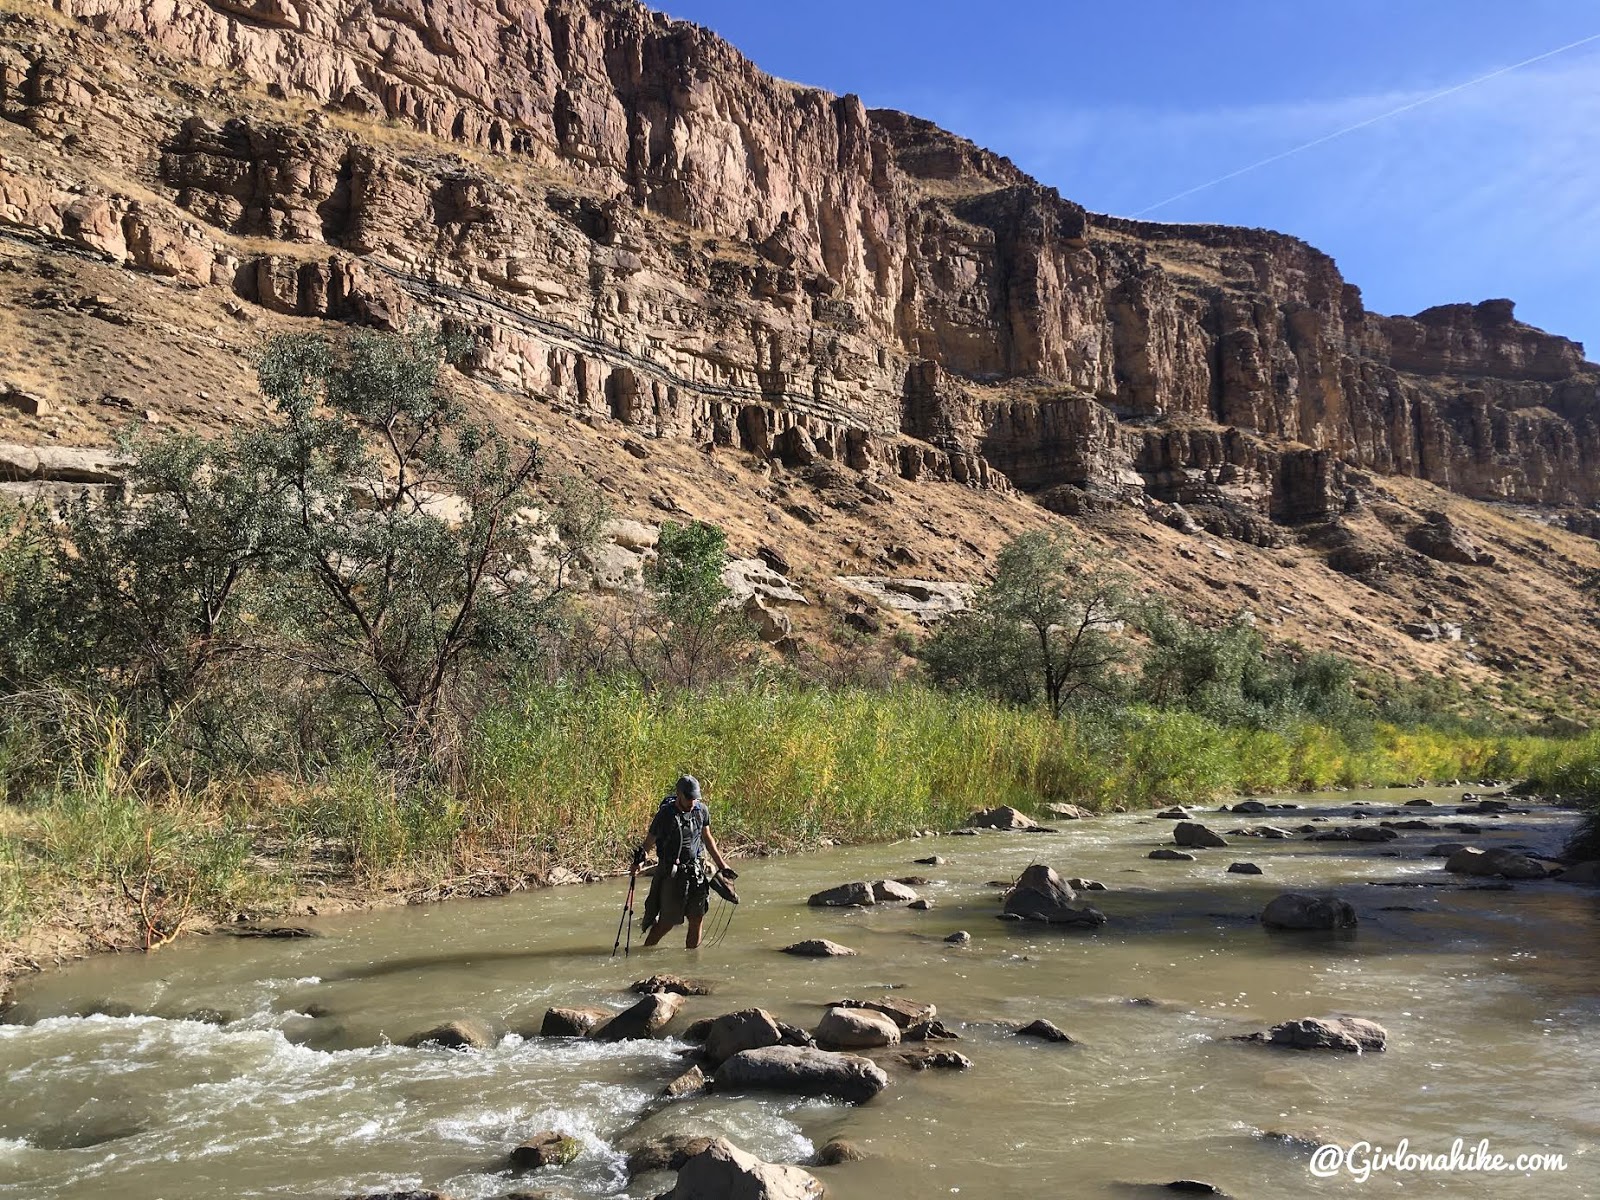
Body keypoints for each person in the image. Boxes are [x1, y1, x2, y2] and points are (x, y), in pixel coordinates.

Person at [633, 775, 735, 949]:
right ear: (679, 794)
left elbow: (707, 838)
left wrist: (722, 865)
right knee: (667, 922)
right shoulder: (665, 815)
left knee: (697, 918)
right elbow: (649, 841)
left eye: (695, 798)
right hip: (671, 874)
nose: (692, 802)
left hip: (696, 872)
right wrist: (638, 862)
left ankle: (691, 963)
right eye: (688, 797)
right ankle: (645, 951)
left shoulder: (701, 810)